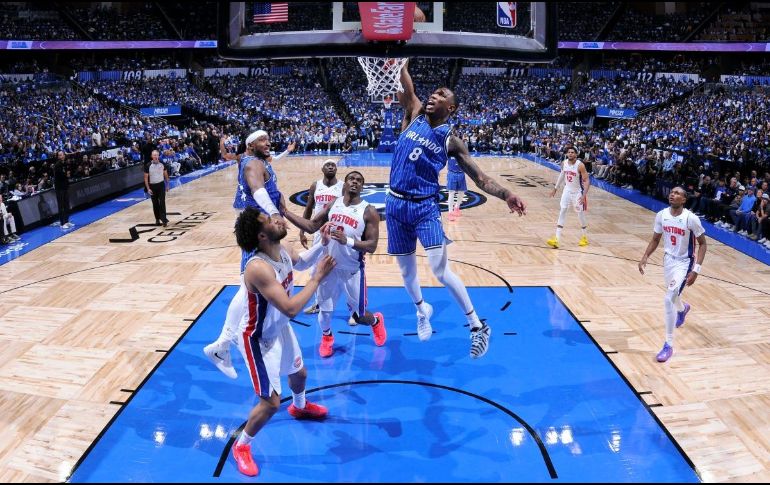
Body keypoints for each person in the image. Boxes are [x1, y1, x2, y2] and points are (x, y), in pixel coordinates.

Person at [387, 59, 527, 359]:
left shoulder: (451, 140)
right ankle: (421, 310)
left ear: (450, 108)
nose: (432, 97)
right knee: (406, 271)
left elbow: (481, 178)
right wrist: (398, 57)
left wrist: (507, 195)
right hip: (395, 203)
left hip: (424, 206)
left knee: (438, 268)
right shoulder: (413, 113)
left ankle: (477, 326)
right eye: (432, 93)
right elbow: (405, 80)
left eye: (440, 95)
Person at [230, 206, 336, 477]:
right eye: (268, 220)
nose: (276, 218)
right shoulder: (257, 268)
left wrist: (322, 245)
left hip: (278, 327)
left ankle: (299, 408)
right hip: (257, 339)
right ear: (261, 237)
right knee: (270, 403)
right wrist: (317, 278)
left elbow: (300, 261)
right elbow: (290, 307)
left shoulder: (281, 248)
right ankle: (242, 446)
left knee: (299, 374)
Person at [203, 130, 285, 379]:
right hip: (257, 226)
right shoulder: (252, 163)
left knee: (251, 284)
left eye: (268, 138)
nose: (268, 142)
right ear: (250, 145)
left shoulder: (253, 160)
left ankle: (225, 342)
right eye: (262, 139)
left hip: (258, 224)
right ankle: (225, 342)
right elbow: (259, 190)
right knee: (247, 285)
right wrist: (274, 213)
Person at [283, 171, 386, 357]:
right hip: (329, 266)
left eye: (359, 180)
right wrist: (285, 212)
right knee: (325, 312)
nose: (355, 182)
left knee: (359, 316)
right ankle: (327, 337)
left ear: (362, 186)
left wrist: (347, 241)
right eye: (351, 179)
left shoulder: (369, 211)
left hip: (352, 270)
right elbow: (312, 226)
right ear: (345, 184)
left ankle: (376, 322)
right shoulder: (334, 204)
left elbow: (372, 246)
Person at [638, 186, 707, 363]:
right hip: (668, 260)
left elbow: (703, 244)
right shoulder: (661, 215)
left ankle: (668, 345)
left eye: (677, 193)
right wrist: (645, 256)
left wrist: (696, 269)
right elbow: (655, 239)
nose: (672, 194)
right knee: (673, 295)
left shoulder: (691, 219)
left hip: (684, 263)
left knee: (668, 298)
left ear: (684, 200)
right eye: (672, 192)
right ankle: (683, 309)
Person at [299, 159, 345, 315]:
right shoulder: (315, 185)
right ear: (322, 168)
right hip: (319, 233)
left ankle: (354, 311)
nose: (331, 166)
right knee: (315, 270)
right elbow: (308, 208)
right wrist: (302, 231)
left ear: (337, 169)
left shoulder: (343, 187)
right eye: (328, 164)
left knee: (342, 270)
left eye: (334, 165)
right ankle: (319, 303)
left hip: (337, 232)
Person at [546, 146, 590, 248]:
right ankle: (557, 239)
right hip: (567, 190)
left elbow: (587, 181)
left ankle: (584, 237)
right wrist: (555, 188)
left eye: (572, 152)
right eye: (569, 152)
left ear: (576, 154)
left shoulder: (580, 165)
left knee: (580, 215)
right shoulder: (564, 163)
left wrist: (584, 195)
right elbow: (562, 175)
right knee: (562, 210)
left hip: (578, 192)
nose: (570, 154)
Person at [143, 150, 170, 226]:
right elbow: (145, 178)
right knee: (155, 204)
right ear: (152, 156)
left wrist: (167, 185)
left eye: (157, 155)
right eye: (154, 155)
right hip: (152, 186)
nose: (155, 156)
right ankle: (157, 219)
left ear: (158, 156)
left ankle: (164, 220)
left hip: (161, 185)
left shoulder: (162, 164)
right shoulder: (148, 165)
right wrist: (148, 188)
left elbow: (166, 175)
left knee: (162, 202)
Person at [54, 151, 73, 230]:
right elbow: (62, 176)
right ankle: (62, 223)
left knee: (66, 205)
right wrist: (66, 175)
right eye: (59, 155)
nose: (61, 156)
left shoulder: (65, 163)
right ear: (58, 157)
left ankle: (67, 221)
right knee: (61, 206)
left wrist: (67, 175)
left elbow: (68, 174)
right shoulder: (57, 165)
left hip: (65, 186)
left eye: (62, 155)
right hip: (59, 188)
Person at [446, 156, 467, 221]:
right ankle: (450, 212)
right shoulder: (449, 149)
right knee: (451, 192)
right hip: (452, 173)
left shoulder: (463, 149)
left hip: (461, 173)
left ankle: (456, 207)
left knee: (462, 191)